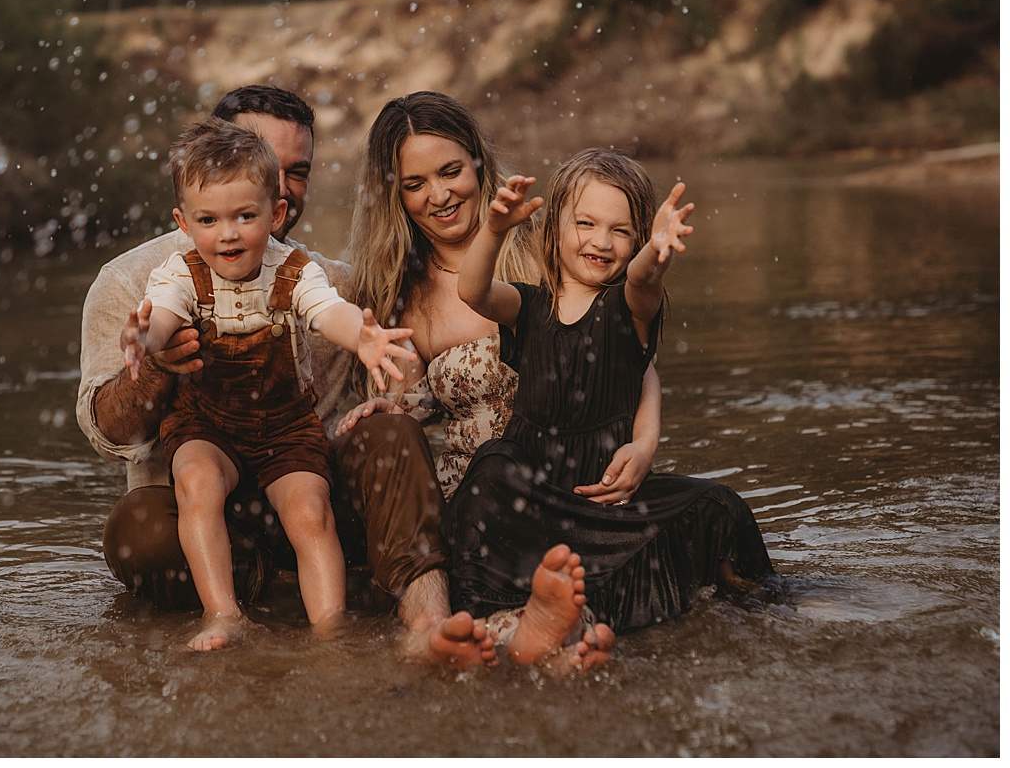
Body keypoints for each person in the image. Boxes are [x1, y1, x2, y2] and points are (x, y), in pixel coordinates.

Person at [77, 85, 497, 667]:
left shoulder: (321, 277)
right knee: (136, 530)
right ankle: (249, 604)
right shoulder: (138, 280)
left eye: (295, 172)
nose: (281, 186)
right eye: (263, 163)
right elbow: (108, 431)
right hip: (203, 501)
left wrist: (408, 381)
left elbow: (385, 342)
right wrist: (152, 361)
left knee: (391, 433)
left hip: (305, 480)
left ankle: (418, 616)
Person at [338, 92, 667, 672]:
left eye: (450, 171)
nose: (439, 195)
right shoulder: (398, 292)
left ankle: (548, 639)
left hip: (574, 477)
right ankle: (543, 644)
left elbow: (631, 360)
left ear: (479, 165)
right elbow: (411, 415)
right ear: (395, 194)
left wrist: (644, 447)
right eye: (415, 183)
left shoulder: (549, 246)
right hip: (483, 490)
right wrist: (386, 411)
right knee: (490, 529)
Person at [443, 148, 783, 660]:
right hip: (532, 501)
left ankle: (770, 600)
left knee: (720, 508)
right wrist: (493, 228)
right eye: (584, 223)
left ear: (638, 237)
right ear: (553, 224)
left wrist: (656, 251)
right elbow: (471, 291)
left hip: (603, 505)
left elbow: (644, 280)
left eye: (621, 231)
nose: (601, 242)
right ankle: (522, 614)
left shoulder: (629, 308)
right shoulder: (529, 305)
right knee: (489, 469)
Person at [120, 118, 416, 650]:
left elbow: (329, 313)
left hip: (284, 423)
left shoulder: (294, 269)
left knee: (310, 511)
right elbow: (163, 315)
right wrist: (147, 339)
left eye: (245, 216)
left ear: (275, 214)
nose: (228, 233)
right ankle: (223, 615)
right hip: (209, 423)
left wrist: (362, 338)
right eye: (209, 219)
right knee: (195, 482)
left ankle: (331, 629)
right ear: (183, 223)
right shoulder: (180, 273)